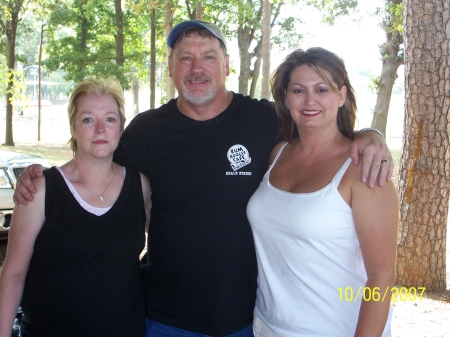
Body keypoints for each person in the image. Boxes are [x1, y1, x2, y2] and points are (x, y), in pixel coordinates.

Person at [13, 21, 394, 337]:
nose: (198, 68)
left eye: (209, 56)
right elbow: (94, 162)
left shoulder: (262, 120)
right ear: (171, 68)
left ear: (227, 65)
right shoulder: (146, 132)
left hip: (244, 318)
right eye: (186, 58)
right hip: (163, 317)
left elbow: (320, 128)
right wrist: (40, 178)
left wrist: (368, 137)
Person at [247, 47, 399, 337]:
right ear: (286, 98)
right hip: (265, 324)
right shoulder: (278, 154)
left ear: (341, 96)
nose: (310, 100)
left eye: (321, 89)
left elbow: (382, 278)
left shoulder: (363, 169)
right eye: (298, 90)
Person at [0, 78, 151, 337]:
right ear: (73, 127)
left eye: (110, 119)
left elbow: (169, 244)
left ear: (121, 127)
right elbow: (14, 273)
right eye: (88, 119)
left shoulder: (140, 185)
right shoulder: (41, 190)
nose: (101, 129)